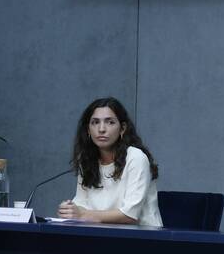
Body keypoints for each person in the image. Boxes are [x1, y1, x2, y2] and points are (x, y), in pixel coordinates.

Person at [57, 97, 163, 226]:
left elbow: (130, 215)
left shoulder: (136, 158)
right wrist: (69, 211)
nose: (101, 129)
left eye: (110, 122)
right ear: (88, 130)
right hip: (101, 236)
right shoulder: (87, 160)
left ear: (122, 129)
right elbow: (81, 206)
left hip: (143, 238)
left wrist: (83, 214)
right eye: (95, 122)